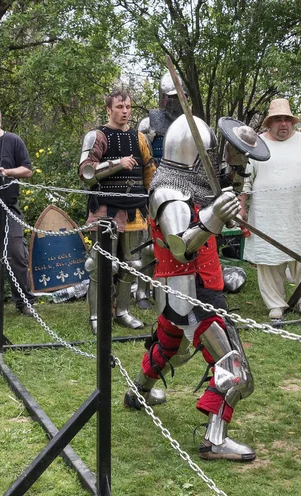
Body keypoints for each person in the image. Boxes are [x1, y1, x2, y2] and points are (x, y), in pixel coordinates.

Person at [124, 114, 269, 462]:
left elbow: (207, 220)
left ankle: (138, 393)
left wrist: (221, 211)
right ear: (194, 153)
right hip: (193, 294)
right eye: (208, 153)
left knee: (168, 344)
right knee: (236, 370)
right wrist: (214, 217)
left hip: (185, 291)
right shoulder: (170, 191)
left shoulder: (191, 186)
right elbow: (181, 245)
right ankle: (214, 440)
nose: (213, 160)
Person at [239, 98, 301, 320]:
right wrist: (241, 208)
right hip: (266, 213)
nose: (283, 124)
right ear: (269, 123)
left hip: (298, 213)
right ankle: (275, 304)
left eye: (287, 119)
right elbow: (245, 181)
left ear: (292, 122)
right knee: (269, 257)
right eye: (277, 119)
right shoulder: (256, 144)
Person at [78, 89, 155, 334]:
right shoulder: (98, 136)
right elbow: (86, 173)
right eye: (119, 107)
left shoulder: (140, 138)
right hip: (106, 209)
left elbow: (149, 172)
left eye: (128, 107)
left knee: (132, 264)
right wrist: (117, 164)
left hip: (135, 209)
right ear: (108, 109)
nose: (124, 111)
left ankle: (122, 311)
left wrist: (152, 199)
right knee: (101, 264)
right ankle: (97, 316)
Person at [134, 72, 190, 309]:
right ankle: (142, 291)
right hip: (155, 188)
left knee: (179, 241)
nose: (174, 102)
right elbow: (143, 160)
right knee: (148, 245)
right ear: (163, 99)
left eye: (179, 98)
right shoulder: (149, 124)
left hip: (184, 188)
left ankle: (171, 290)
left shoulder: (190, 123)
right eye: (170, 98)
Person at [0, 105, 36, 316]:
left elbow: (27, 170)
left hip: (8, 207)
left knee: (15, 253)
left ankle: (23, 301)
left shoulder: (13, 140)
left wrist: (7, 171)